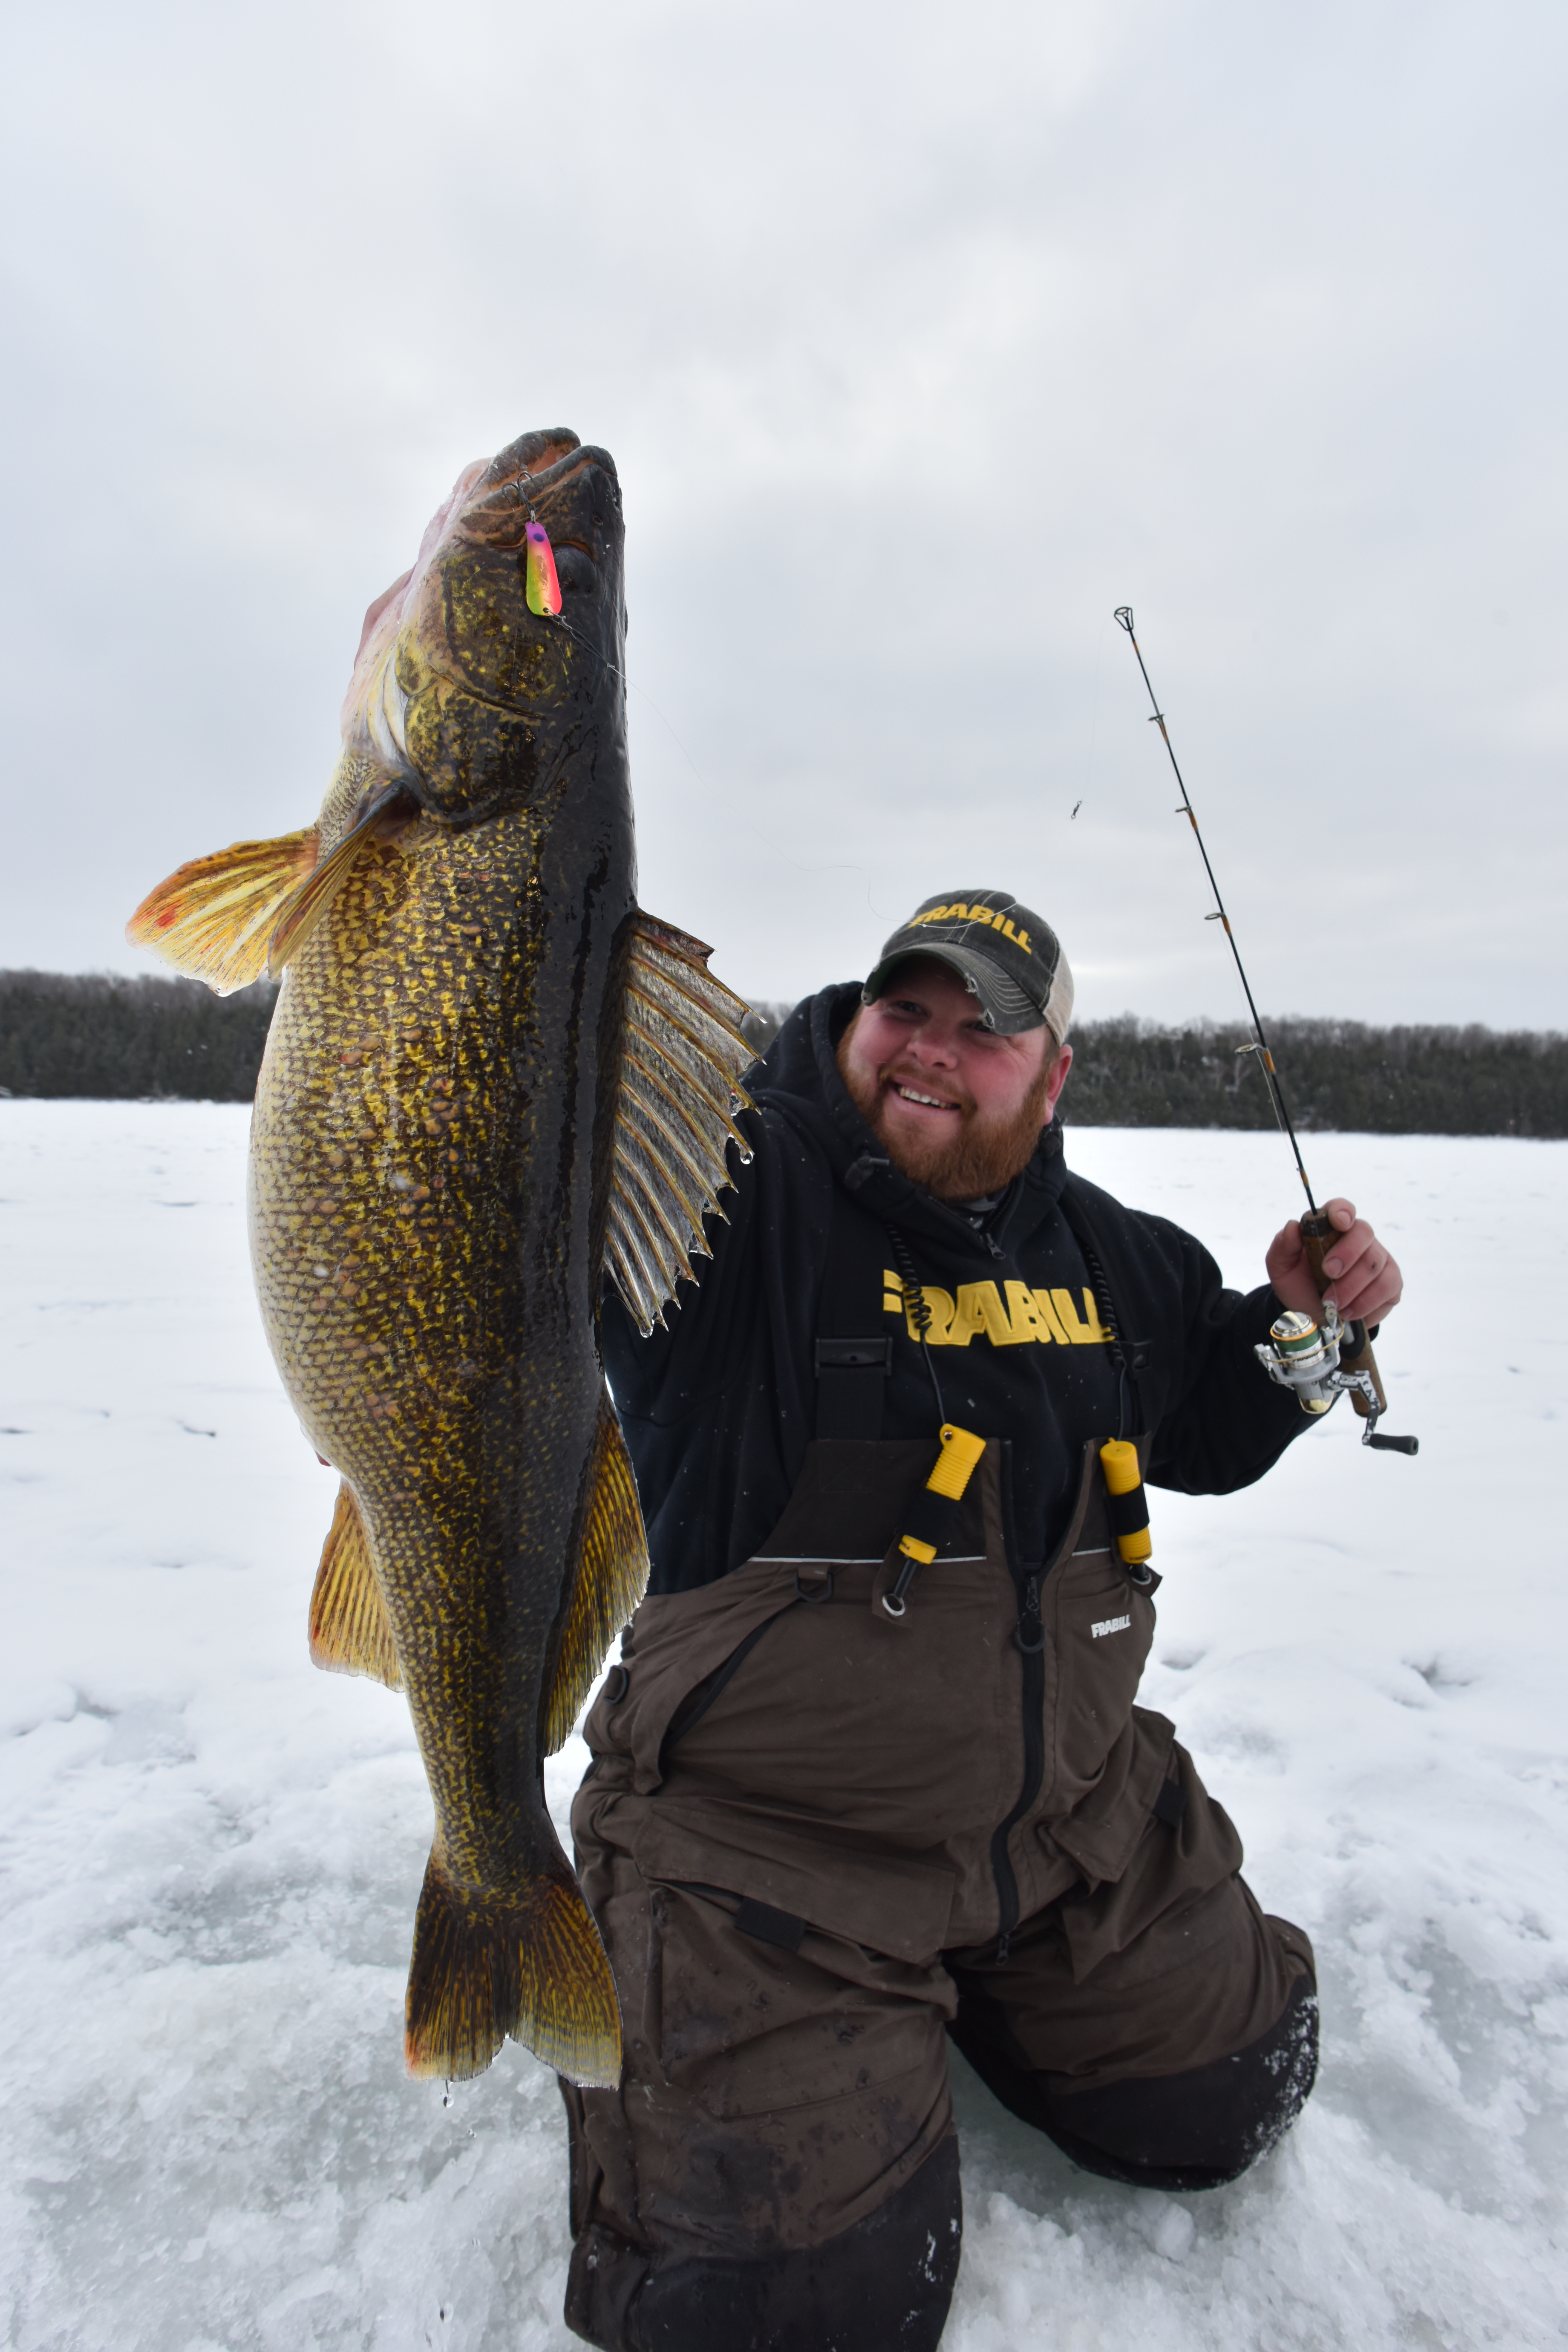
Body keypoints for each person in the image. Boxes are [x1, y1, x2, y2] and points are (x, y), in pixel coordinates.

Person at [560, 889, 1403, 2352]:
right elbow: (565, 1146)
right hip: (771, 1858)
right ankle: (705, 2009)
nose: (934, 1053)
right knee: (796, 2314)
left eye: (987, 1029)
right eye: (908, 1014)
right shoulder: (726, 1204)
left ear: (1053, 1071)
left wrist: (1300, 1332)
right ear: (855, 1022)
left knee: (1230, 2093)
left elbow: (1207, 1410)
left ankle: (968, 1999)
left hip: (1065, 1833)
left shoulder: (1104, 1253)